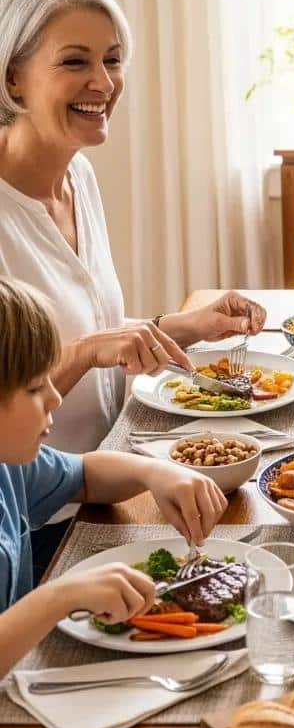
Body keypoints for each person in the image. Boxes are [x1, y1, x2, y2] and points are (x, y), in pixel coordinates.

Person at [0, 0, 267, 456]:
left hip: (106, 470)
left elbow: (92, 328)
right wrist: (86, 352)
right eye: (74, 61)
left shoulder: (78, 176)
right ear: (13, 80)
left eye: (113, 59)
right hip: (31, 513)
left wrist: (186, 325)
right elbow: (27, 380)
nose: (102, 82)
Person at [0, 278, 228, 678]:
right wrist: (58, 597)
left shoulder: (10, 465)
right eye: (37, 388)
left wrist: (155, 472)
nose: (56, 397)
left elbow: (86, 476)